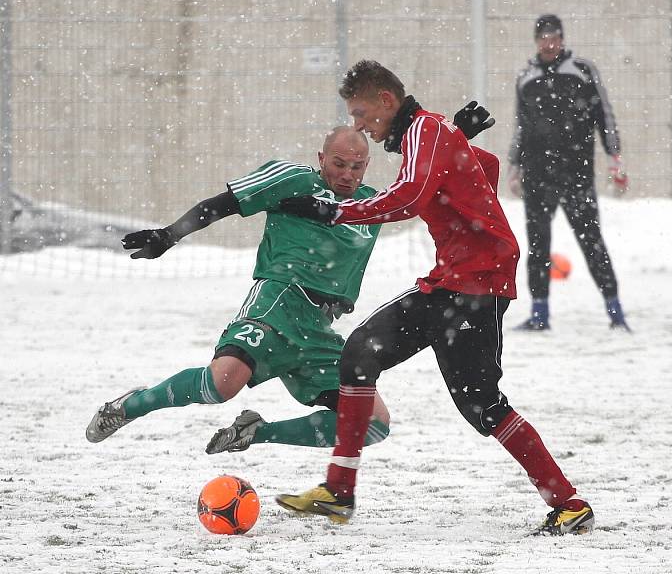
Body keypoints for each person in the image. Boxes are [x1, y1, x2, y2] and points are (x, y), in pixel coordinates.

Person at [275, 60, 594, 535]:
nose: (360, 126)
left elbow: (408, 198)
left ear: (387, 100)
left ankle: (569, 503)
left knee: (483, 404)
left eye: (362, 114)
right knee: (360, 353)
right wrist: (458, 140)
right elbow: (484, 168)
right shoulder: (428, 132)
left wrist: (333, 210)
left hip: (474, 284)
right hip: (452, 280)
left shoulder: (426, 129)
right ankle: (338, 492)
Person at [85, 127, 393, 452]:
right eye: (338, 163)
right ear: (321, 158)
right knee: (222, 383)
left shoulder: (374, 204)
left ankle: (255, 432)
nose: (346, 174)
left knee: (373, 423)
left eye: (356, 167)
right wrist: (169, 234)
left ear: (367, 166)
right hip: (278, 300)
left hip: (319, 327)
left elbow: (421, 194)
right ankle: (128, 407)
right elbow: (225, 204)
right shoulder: (293, 179)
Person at [508, 14, 630, 331]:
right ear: (536, 41)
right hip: (538, 175)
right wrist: (514, 166)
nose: (549, 44)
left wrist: (614, 156)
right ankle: (539, 315)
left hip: (576, 173)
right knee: (537, 246)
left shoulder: (583, 71)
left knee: (592, 241)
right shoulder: (526, 77)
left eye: (554, 37)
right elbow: (520, 127)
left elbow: (605, 115)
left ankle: (615, 312)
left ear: (562, 39)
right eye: (544, 38)